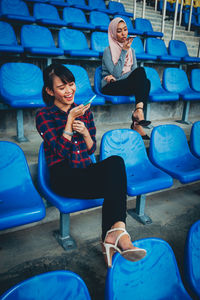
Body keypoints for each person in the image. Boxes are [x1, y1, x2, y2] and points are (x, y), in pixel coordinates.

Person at [36, 63, 146, 268]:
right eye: (61, 87)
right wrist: (69, 122)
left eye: (71, 84)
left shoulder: (84, 111)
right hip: (63, 178)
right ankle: (114, 238)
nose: (69, 90)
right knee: (116, 186)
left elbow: (89, 149)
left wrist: (86, 133)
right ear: (50, 91)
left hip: (84, 171)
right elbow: (60, 152)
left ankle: (116, 231)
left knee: (116, 163)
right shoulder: (44, 116)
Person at [101, 17, 151, 140]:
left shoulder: (132, 51)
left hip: (124, 83)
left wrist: (127, 51)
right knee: (142, 76)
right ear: (113, 33)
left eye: (125, 29)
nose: (124, 33)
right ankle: (138, 116)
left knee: (145, 79)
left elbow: (134, 71)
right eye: (119, 31)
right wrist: (123, 51)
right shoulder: (108, 51)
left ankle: (138, 115)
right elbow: (116, 74)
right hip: (109, 86)